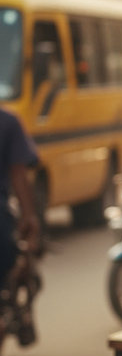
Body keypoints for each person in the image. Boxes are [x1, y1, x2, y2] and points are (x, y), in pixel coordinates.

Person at [0, 109, 40, 287]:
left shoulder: (7, 122)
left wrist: (28, 216)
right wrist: (29, 217)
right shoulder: (8, 121)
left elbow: (18, 173)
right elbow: (19, 173)